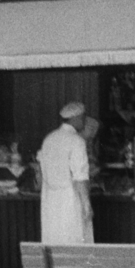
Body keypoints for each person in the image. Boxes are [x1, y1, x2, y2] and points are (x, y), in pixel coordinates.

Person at [38, 100, 93, 244]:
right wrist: (87, 205)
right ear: (75, 118)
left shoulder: (49, 139)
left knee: (53, 240)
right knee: (73, 243)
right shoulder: (76, 141)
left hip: (50, 201)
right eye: (83, 118)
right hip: (70, 201)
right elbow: (80, 178)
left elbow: (41, 173)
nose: (84, 121)